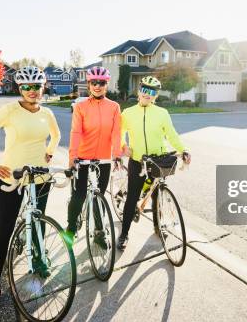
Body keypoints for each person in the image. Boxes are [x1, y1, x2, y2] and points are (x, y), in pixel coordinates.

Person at [0, 66, 60, 315]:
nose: (32, 91)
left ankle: (40, 262)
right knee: (5, 229)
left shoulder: (48, 113)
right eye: (27, 87)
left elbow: (56, 134)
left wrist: (50, 151)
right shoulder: (8, 111)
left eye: (36, 86)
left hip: (40, 176)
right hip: (13, 177)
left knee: (39, 222)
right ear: (20, 88)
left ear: (43, 87)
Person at [117, 76, 191, 251]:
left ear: (156, 95)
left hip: (158, 161)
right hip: (137, 161)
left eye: (152, 92)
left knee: (157, 194)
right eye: (145, 90)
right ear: (139, 91)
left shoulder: (162, 113)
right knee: (132, 198)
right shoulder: (128, 113)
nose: (147, 94)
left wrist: (183, 149)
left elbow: (171, 134)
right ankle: (124, 234)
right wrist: (122, 146)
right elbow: (119, 133)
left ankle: (158, 227)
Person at [65, 66, 122, 247]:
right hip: (82, 158)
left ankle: (99, 232)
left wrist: (117, 155)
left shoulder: (114, 107)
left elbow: (116, 133)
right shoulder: (81, 106)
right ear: (88, 84)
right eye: (93, 82)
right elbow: (76, 132)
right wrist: (73, 158)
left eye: (101, 83)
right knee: (78, 196)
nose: (97, 86)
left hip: (103, 160)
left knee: (99, 197)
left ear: (106, 84)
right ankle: (71, 229)